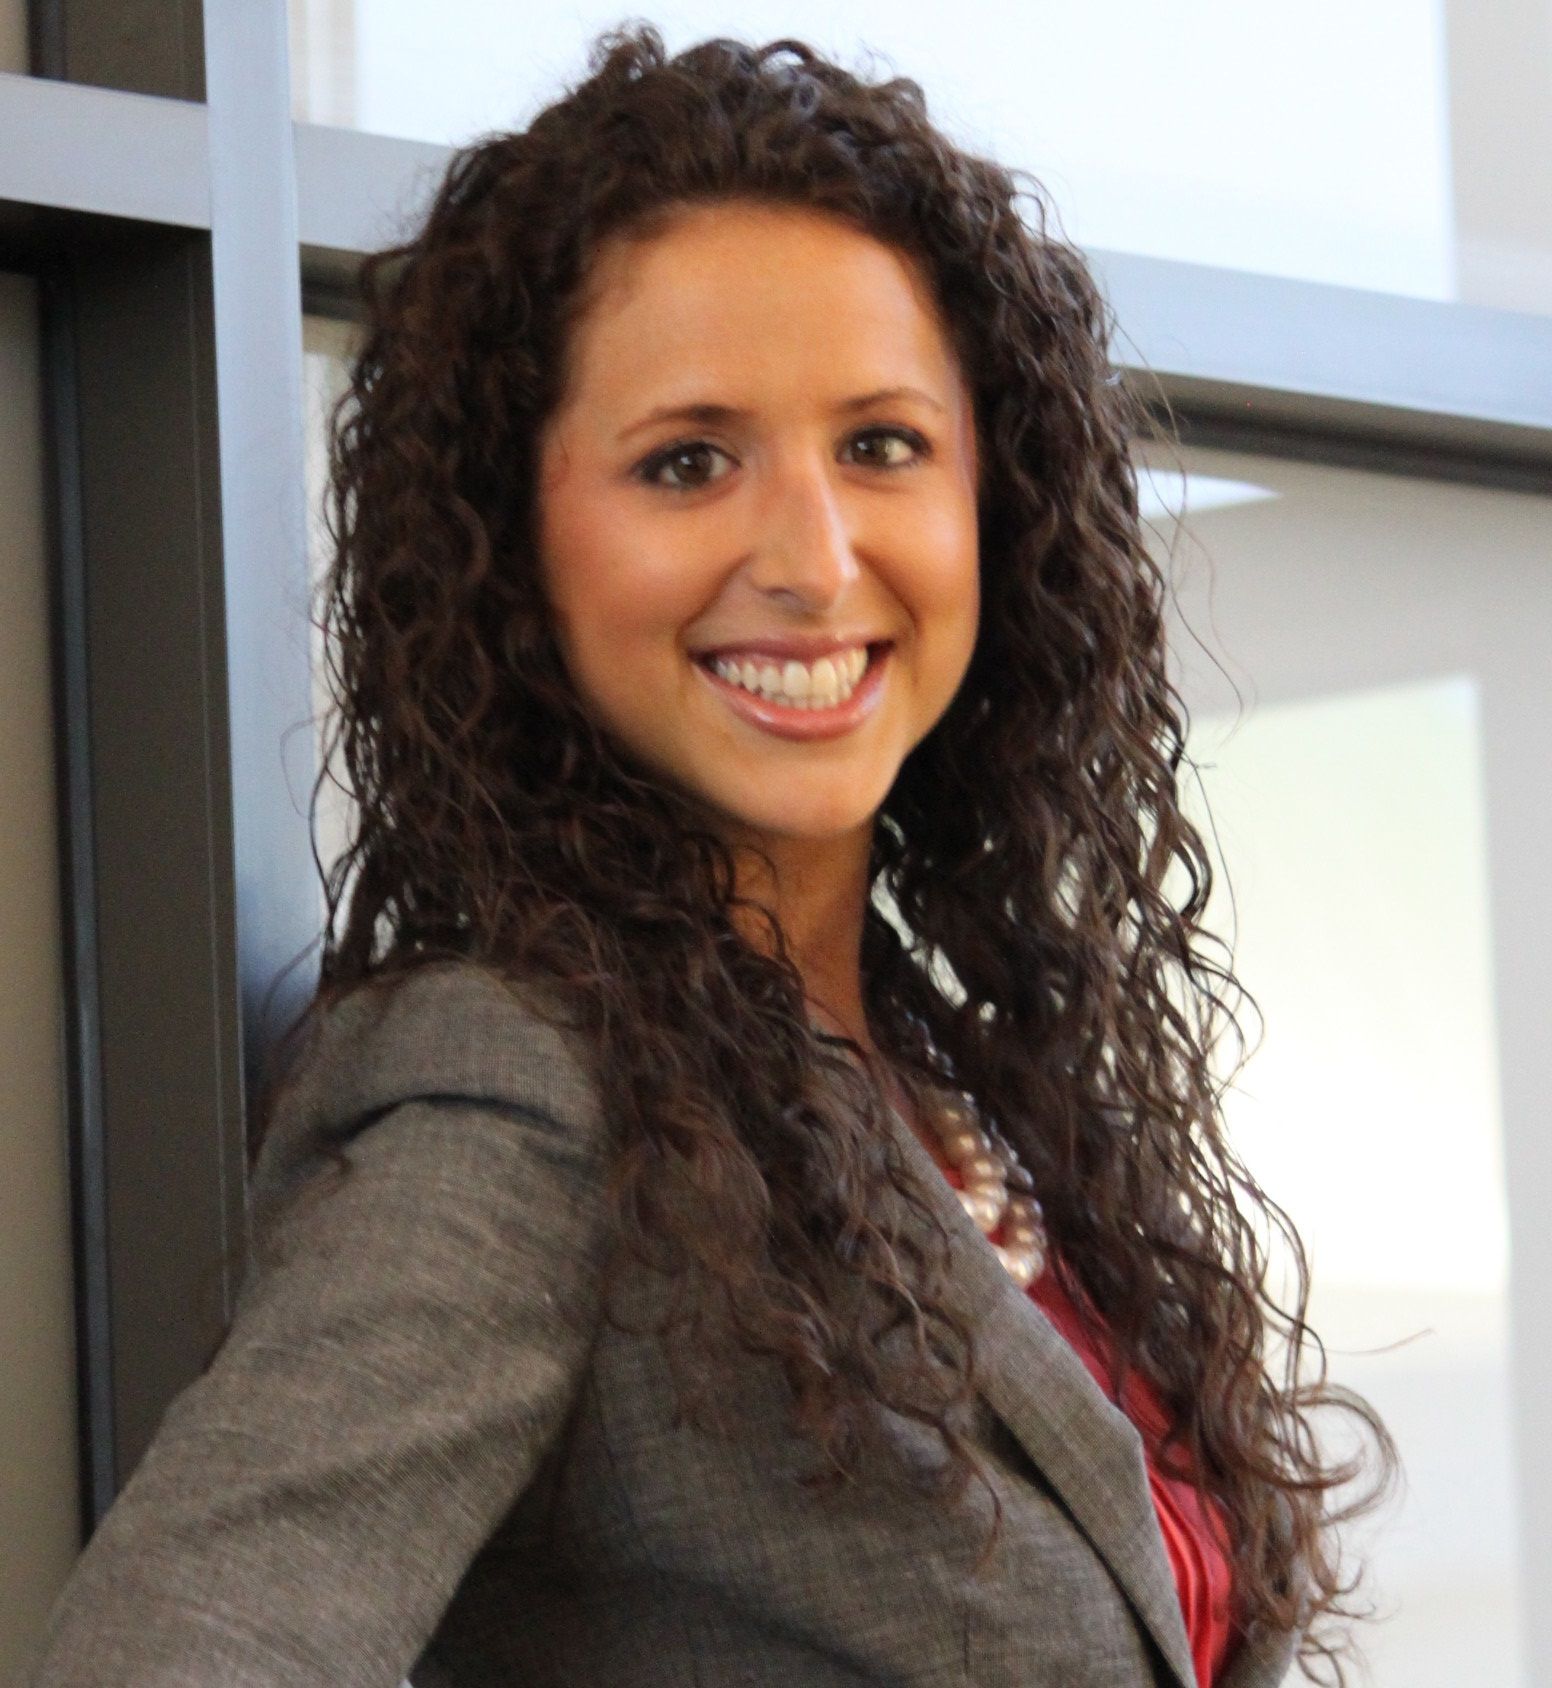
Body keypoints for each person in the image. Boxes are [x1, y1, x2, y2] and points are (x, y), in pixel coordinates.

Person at [22, 23, 1396, 1688]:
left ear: (996, 495)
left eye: (881, 444)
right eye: (689, 461)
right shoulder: (525, 1095)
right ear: (513, 540)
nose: (815, 563)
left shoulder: (959, 1079)